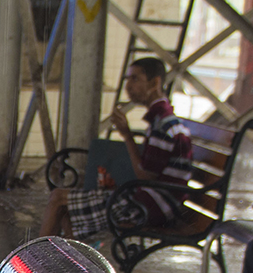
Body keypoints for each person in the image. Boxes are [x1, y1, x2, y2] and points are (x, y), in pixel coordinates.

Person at [40, 57, 193, 244]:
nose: (128, 86)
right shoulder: (162, 121)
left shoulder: (163, 126)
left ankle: (34, 260)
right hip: (151, 201)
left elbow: (145, 175)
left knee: (58, 198)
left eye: (135, 79)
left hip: (149, 207)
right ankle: (74, 263)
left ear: (155, 83)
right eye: (128, 79)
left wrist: (127, 136)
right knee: (65, 205)